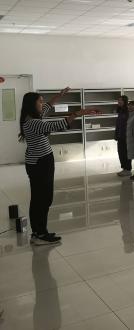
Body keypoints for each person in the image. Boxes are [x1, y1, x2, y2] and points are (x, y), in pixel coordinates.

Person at [19, 88, 97, 245]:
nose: (42, 104)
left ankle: (39, 232)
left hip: (39, 161)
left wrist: (59, 95)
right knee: (42, 199)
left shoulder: (32, 117)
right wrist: (79, 113)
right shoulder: (33, 122)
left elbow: (48, 106)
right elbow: (57, 124)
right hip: (40, 163)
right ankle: (40, 234)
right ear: (32, 104)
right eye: (39, 102)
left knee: (40, 198)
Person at [115, 95, 131, 177]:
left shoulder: (127, 111)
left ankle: (128, 169)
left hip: (126, 136)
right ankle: (124, 168)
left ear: (125, 101)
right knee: (121, 152)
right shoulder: (120, 111)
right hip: (120, 136)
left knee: (126, 153)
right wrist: (116, 134)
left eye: (120, 100)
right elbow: (118, 124)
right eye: (118, 100)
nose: (119, 101)